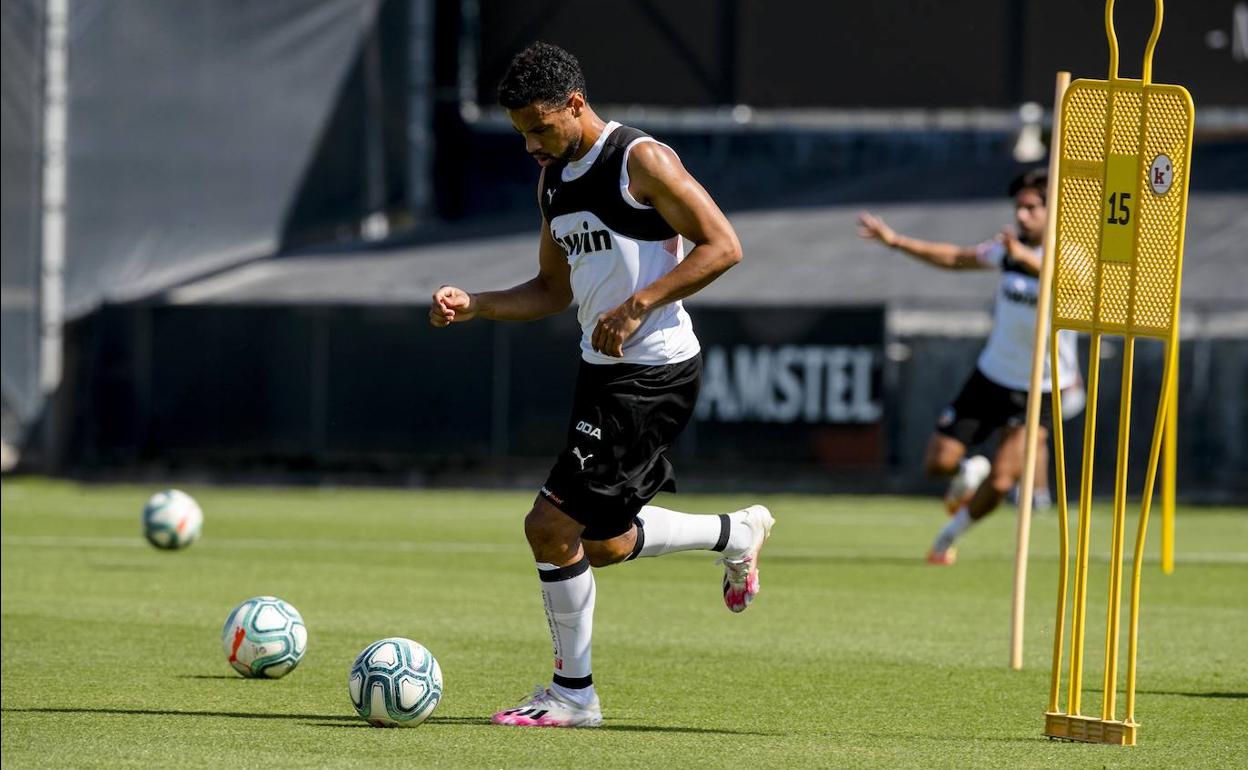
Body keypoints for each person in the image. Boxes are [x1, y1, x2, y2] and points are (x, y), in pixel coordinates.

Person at [429, 42, 774, 728]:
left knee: (549, 527)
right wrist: (477, 304)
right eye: (521, 132)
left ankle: (572, 696)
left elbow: (723, 245)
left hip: (652, 374)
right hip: (603, 371)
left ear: (576, 105)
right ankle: (736, 533)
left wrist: (641, 303)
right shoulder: (552, 180)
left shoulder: (640, 160)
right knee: (602, 543)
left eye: (539, 127)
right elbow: (552, 290)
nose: (530, 145)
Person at [857, 169, 1081, 565]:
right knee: (937, 463)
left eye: (1031, 208)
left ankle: (946, 538)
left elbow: (1059, 280)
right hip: (992, 376)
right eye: (1019, 208)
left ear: (1053, 210)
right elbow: (956, 258)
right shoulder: (1008, 250)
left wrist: (1021, 254)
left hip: (1040, 387)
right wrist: (895, 242)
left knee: (1002, 481)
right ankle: (967, 469)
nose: (1023, 216)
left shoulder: (1068, 254)